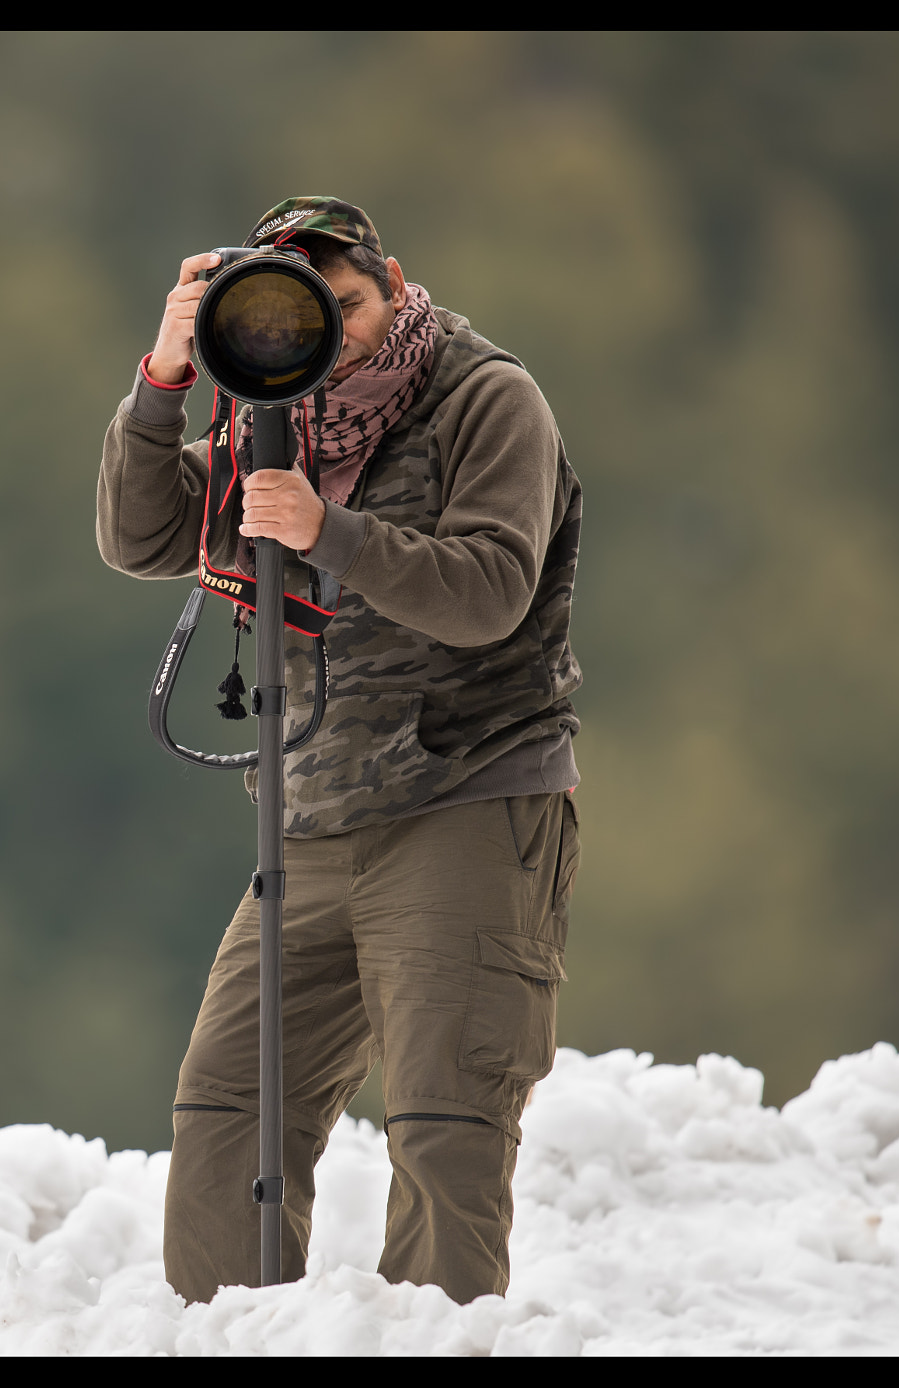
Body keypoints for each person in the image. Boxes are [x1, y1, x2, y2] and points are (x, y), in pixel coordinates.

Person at [96, 196, 584, 1305]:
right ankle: (230, 1332)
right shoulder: (283, 412)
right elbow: (140, 536)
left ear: (392, 282)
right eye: (289, 313)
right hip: (311, 813)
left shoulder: (485, 399)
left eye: (347, 304)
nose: (334, 333)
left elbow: (493, 593)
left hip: (466, 797)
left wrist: (328, 532)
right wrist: (165, 380)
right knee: (228, 1108)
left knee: (440, 1121)